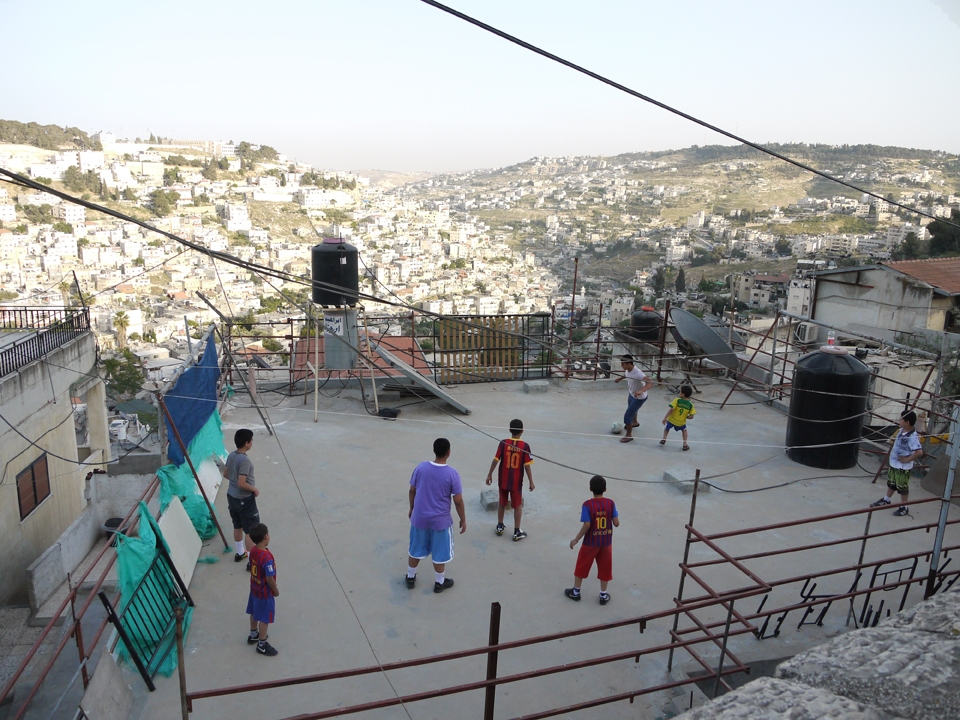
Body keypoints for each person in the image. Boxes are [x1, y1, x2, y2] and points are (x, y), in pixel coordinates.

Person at [406, 438, 467, 593]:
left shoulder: (420, 468)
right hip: (440, 521)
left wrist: (412, 508)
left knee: (415, 548)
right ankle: (439, 583)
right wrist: (463, 519)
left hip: (420, 517)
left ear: (434, 450)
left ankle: (410, 577)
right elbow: (458, 500)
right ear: (449, 453)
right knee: (440, 552)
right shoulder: (452, 474)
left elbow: (412, 490)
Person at [565, 475, 620, 605]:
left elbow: (587, 525)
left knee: (581, 566)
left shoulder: (587, 505)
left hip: (590, 543)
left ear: (590, 489)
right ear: (605, 489)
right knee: (605, 568)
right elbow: (616, 523)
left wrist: (576, 539)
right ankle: (603, 595)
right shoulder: (610, 503)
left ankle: (576, 592)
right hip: (606, 543)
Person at [485, 419, 535, 540]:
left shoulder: (503, 443)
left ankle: (500, 526)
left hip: (503, 480)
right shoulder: (525, 446)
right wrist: (531, 481)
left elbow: (495, 460)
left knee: (502, 503)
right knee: (517, 505)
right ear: (522, 431)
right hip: (516, 482)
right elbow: (527, 465)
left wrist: (489, 474)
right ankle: (517, 531)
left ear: (509, 430)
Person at [870, 410, 923, 516]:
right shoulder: (901, 430)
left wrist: (908, 459)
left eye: (901, 419)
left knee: (902, 487)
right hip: (895, 464)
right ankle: (886, 499)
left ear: (907, 422)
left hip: (903, 467)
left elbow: (919, 452)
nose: (899, 420)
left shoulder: (912, 436)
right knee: (892, 483)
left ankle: (904, 506)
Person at [223, 429, 260, 563]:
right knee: (250, 530)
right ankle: (252, 561)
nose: (252, 443)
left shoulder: (231, 455)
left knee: (237, 525)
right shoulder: (245, 461)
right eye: (251, 440)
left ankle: (240, 552)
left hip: (231, 496)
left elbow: (226, 474)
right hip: (244, 499)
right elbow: (241, 483)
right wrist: (254, 489)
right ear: (246, 443)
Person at [246, 523, 279, 656]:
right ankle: (262, 644)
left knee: (254, 612)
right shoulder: (267, 558)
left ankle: (253, 633)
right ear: (266, 537)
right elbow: (270, 578)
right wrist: (275, 590)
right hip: (265, 593)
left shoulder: (253, 550)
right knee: (264, 618)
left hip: (254, 588)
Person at [614, 355, 654, 443]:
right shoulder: (628, 369)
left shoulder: (638, 373)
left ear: (629, 363)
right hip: (632, 394)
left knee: (627, 416)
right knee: (632, 409)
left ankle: (629, 435)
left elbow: (650, 382)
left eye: (623, 364)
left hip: (639, 398)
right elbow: (626, 374)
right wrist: (620, 378)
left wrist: (641, 391)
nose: (622, 365)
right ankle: (635, 422)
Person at [660, 385, 696, 451]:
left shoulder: (677, 400)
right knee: (684, 431)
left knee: (666, 428)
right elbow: (692, 416)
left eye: (680, 392)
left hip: (672, 420)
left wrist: (665, 417)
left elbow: (671, 410)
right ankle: (685, 445)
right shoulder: (691, 404)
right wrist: (686, 416)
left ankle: (664, 439)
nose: (679, 393)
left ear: (683, 394)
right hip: (681, 422)